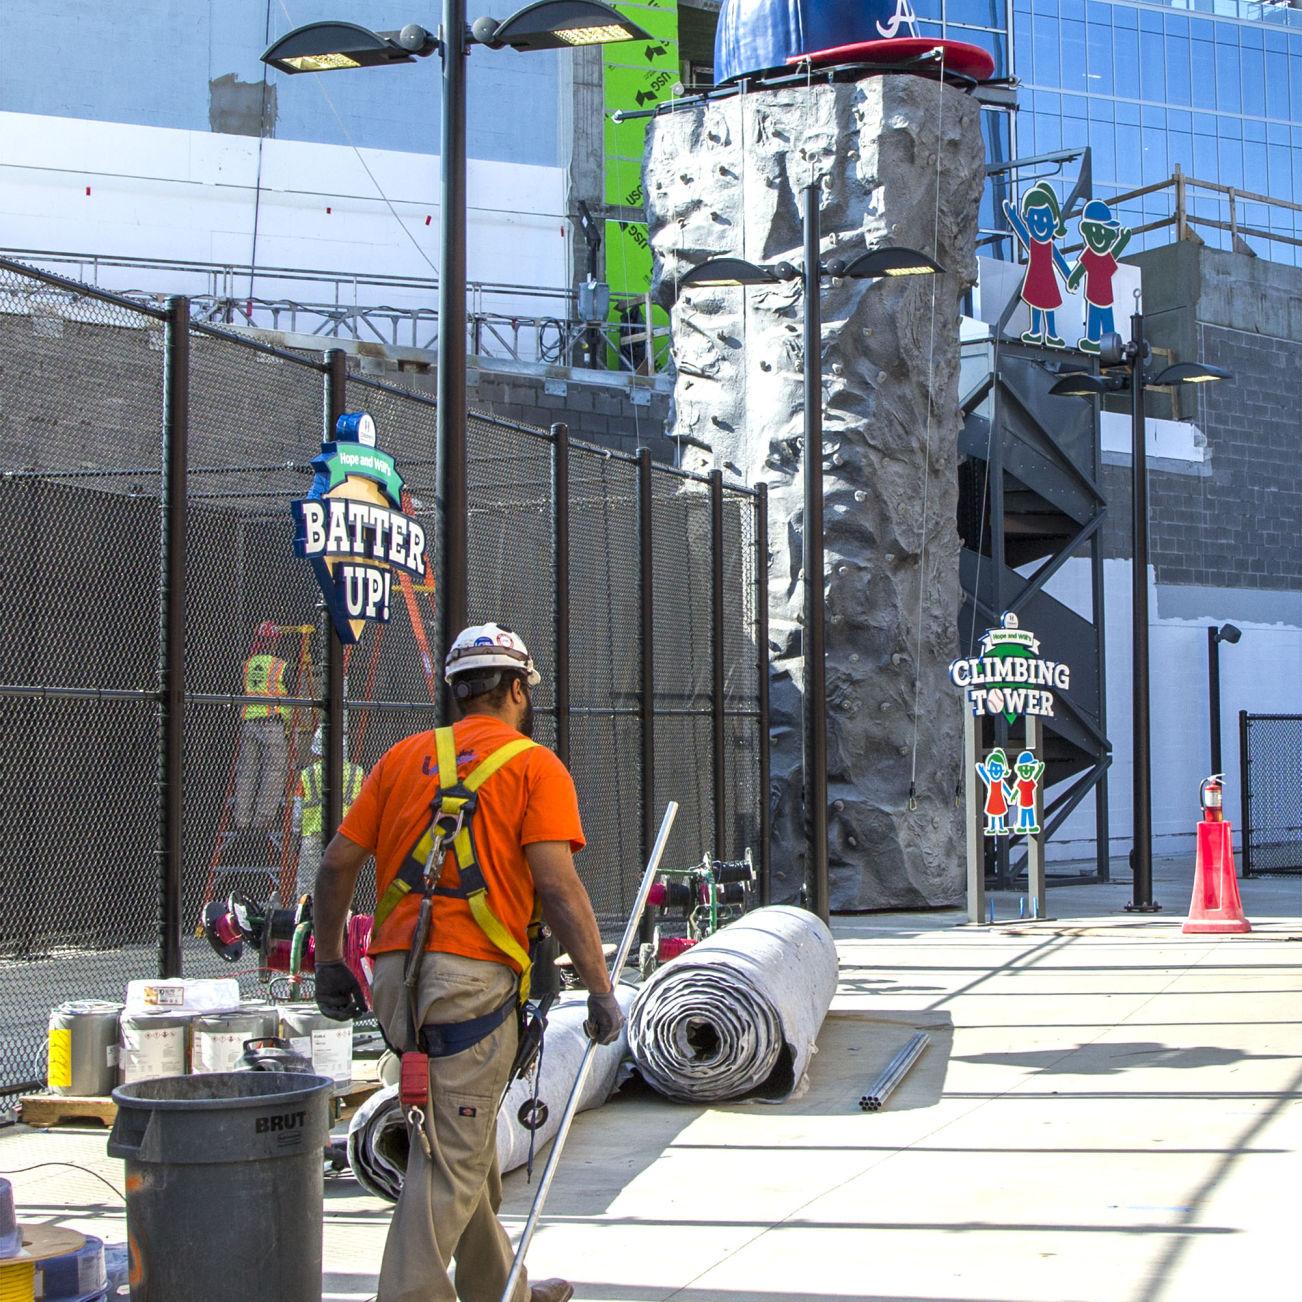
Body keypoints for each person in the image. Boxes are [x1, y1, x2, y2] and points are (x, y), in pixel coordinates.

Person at [310, 622, 621, 1302]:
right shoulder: (535, 767)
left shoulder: (403, 760)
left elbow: (336, 863)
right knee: (450, 1158)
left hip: (396, 977)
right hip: (471, 982)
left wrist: (330, 959)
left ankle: (498, 1289)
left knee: (460, 1135)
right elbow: (558, 888)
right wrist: (599, 989)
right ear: (516, 688)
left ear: (455, 693)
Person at [294, 731, 365, 895]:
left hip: (312, 833)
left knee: (307, 882)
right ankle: (342, 917)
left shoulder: (308, 773)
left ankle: (305, 915)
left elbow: (297, 810)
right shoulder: (357, 773)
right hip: (345, 834)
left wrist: (296, 833)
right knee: (341, 880)